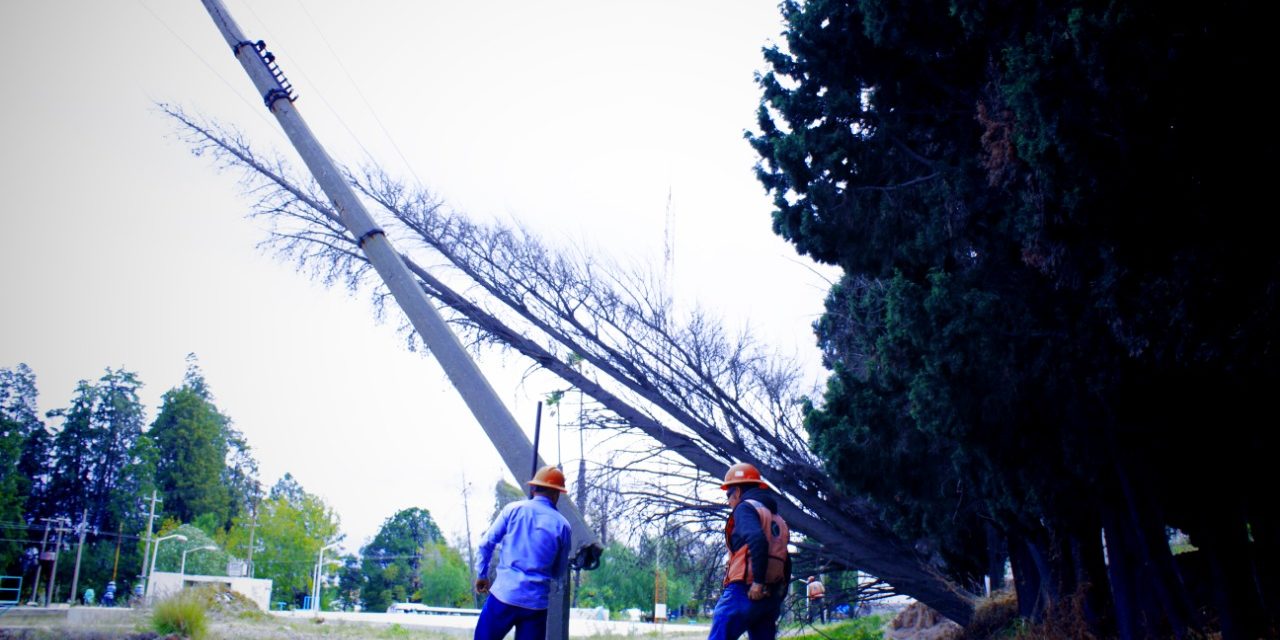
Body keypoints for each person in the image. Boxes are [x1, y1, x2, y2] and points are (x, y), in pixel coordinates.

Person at [473, 465, 573, 640]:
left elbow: (485, 544)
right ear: (557, 494)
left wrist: (482, 574)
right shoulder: (563, 526)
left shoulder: (513, 510)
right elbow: (558, 571)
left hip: (503, 596)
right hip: (535, 605)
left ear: (533, 488)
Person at [708, 462, 791, 640]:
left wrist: (758, 583)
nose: (729, 502)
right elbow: (786, 559)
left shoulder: (745, 508)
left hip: (746, 588)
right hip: (769, 596)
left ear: (737, 491)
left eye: (729, 496)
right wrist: (777, 594)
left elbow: (757, 539)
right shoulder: (777, 518)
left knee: (720, 632)